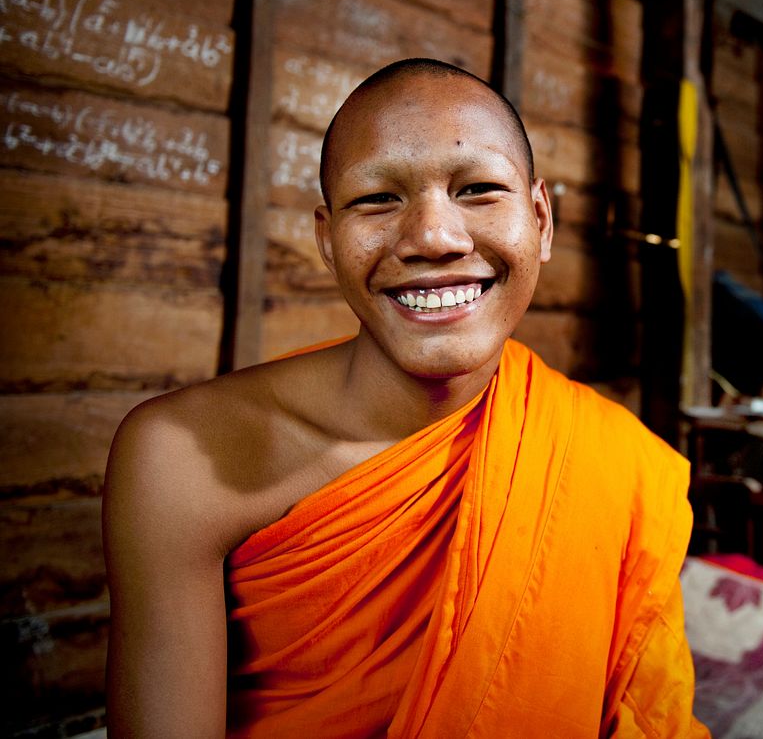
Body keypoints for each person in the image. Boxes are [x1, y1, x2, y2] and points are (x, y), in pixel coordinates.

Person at [103, 58, 708, 738]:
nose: (434, 239)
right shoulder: (183, 459)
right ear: (326, 240)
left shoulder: (608, 461)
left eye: (478, 189)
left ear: (540, 218)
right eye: (377, 200)